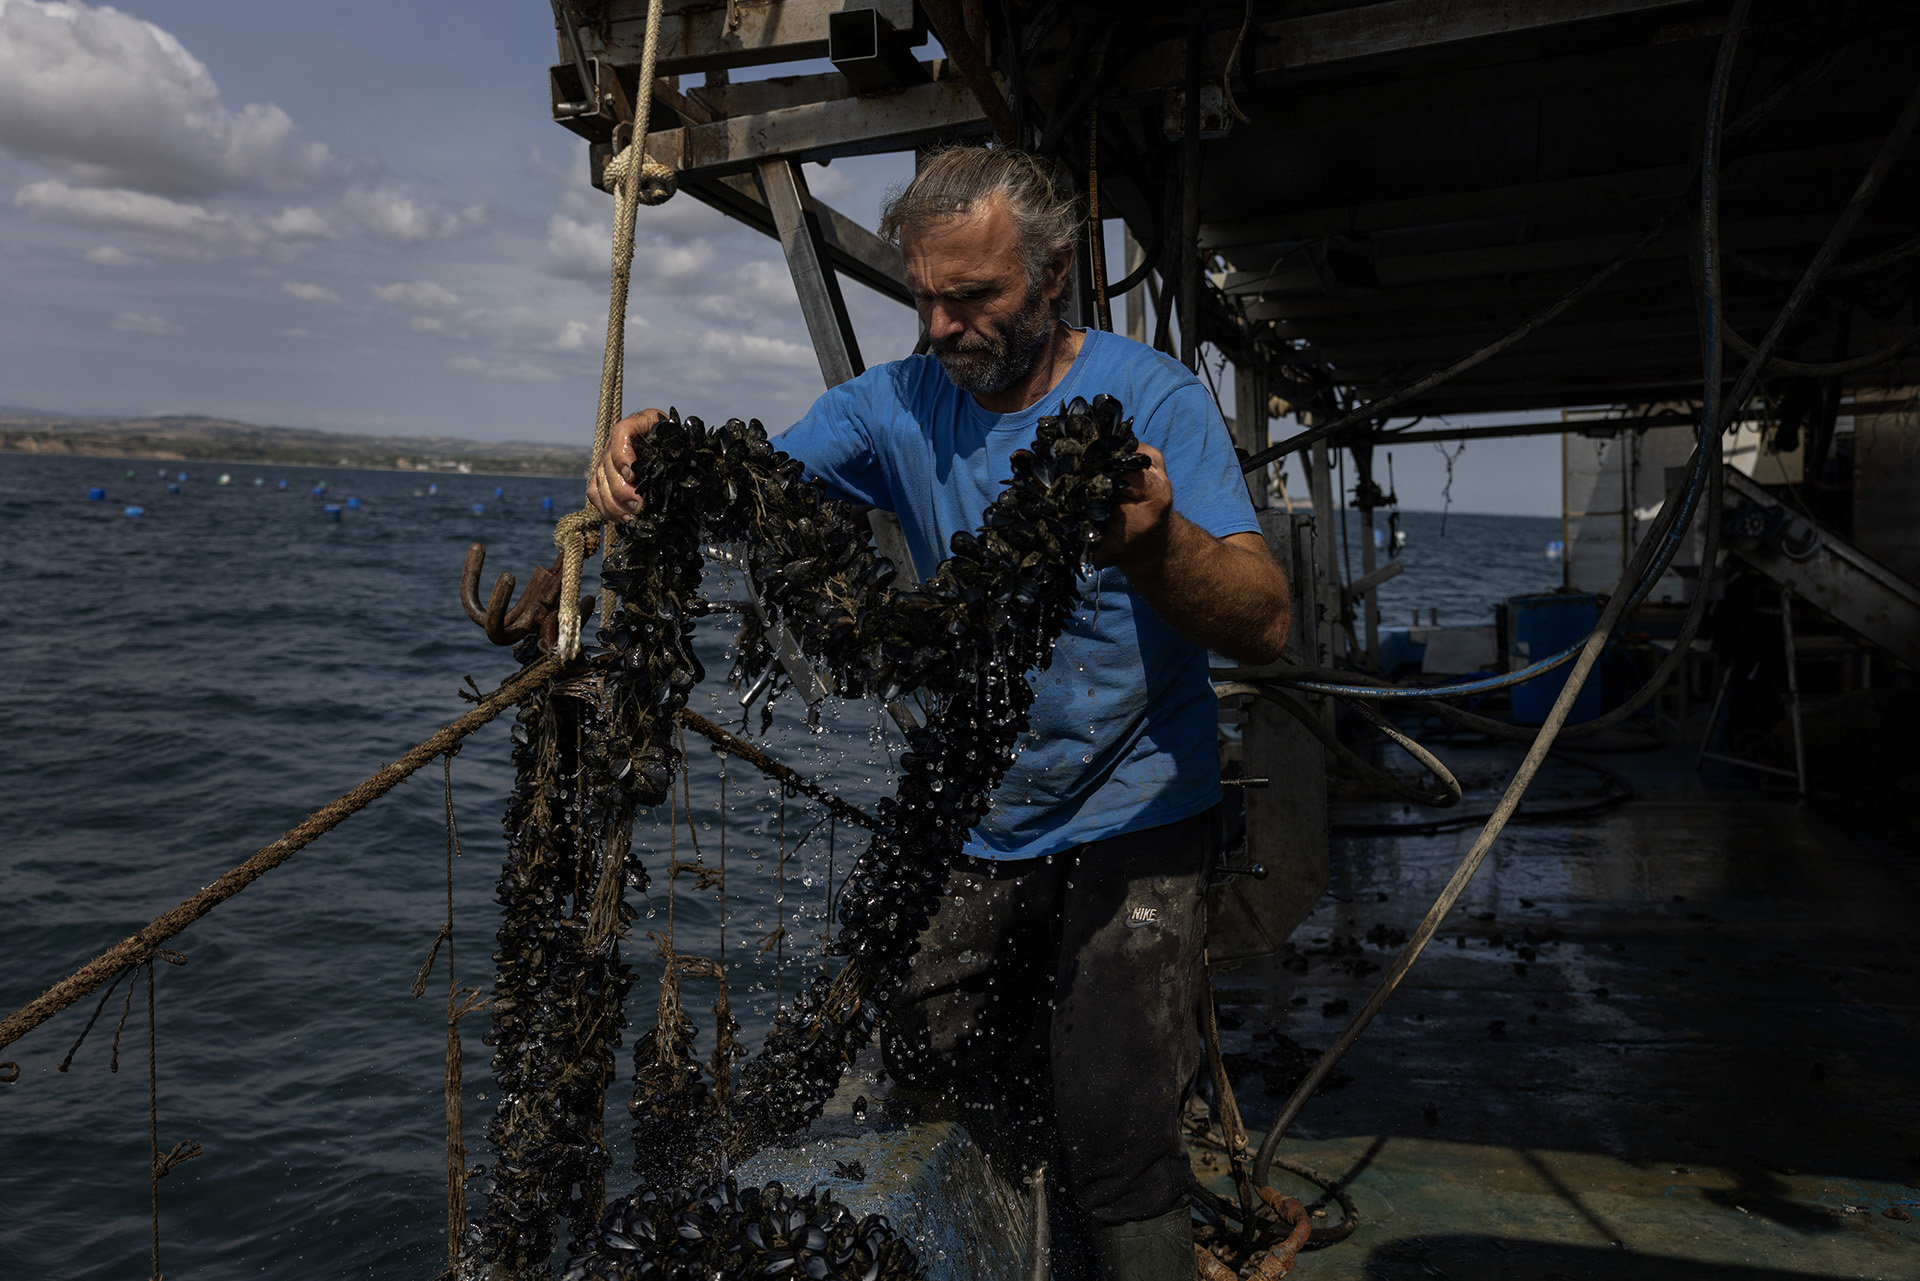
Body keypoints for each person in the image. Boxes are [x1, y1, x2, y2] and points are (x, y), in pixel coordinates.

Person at [588, 144, 1289, 1281]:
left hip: (1142, 803)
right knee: (930, 1055)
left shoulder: (1152, 399)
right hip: (978, 806)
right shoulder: (893, 405)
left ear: (1052, 278)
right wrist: (654, 460)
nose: (944, 326)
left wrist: (1159, 542)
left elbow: (1263, 620)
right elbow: (754, 486)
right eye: (924, 296)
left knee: (1115, 1110)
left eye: (976, 297)